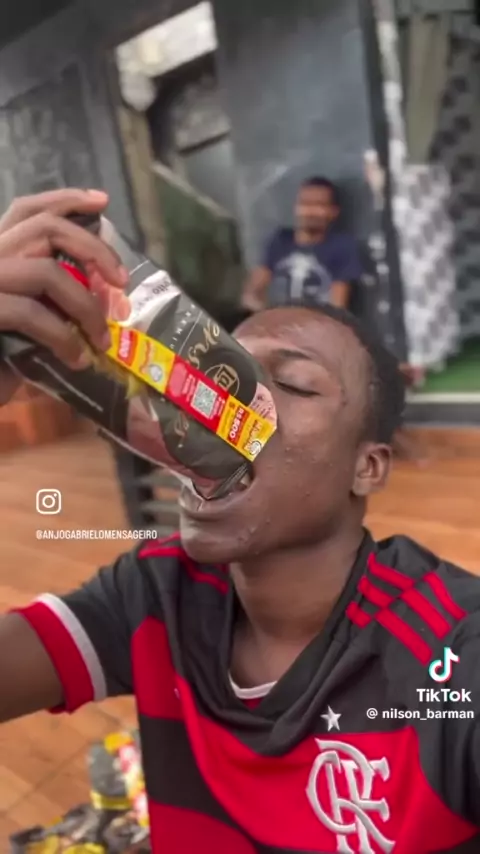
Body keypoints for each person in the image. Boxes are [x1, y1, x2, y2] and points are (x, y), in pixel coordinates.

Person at [0, 190, 479, 854]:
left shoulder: (448, 659)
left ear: (367, 468)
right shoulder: (155, 594)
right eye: (224, 369)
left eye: (296, 384)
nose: (229, 404)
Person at [242, 176, 363, 312]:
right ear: (296, 208)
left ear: (333, 212)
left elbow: (337, 308)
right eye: (305, 203)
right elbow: (252, 293)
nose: (310, 210)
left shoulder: (341, 247)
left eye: (319, 204)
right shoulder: (280, 240)